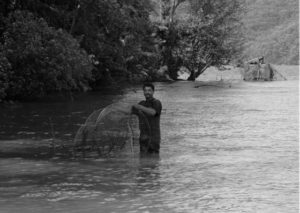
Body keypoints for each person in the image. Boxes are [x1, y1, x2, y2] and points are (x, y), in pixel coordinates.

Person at [132, 83, 162, 154]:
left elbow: (153, 112)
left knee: (153, 161)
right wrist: (117, 109)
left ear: (153, 91)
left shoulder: (157, 102)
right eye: (145, 90)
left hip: (154, 139)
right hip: (143, 138)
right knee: (143, 161)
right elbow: (130, 111)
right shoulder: (141, 103)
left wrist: (139, 107)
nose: (147, 92)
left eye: (149, 90)